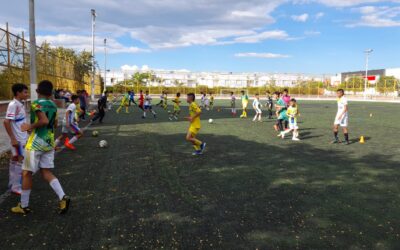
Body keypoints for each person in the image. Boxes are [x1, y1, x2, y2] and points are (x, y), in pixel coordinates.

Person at [12, 80, 70, 215]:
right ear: (50, 92)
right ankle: (63, 197)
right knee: (46, 172)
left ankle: (24, 206)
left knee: (26, 173)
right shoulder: (53, 105)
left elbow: (43, 121)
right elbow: (54, 124)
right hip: (49, 142)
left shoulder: (36, 104)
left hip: (35, 143)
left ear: (37, 91)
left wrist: (29, 126)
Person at [4, 83, 29, 195]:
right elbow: (6, 122)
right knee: (20, 159)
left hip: (22, 137)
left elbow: (20, 121)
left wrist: (28, 130)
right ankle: (16, 186)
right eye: (25, 92)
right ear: (18, 93)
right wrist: (13, 138)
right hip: (18, 139)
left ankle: (12, 183)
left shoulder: (20, 104)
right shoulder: (13, 104)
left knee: (15, 159)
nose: (27, 94)